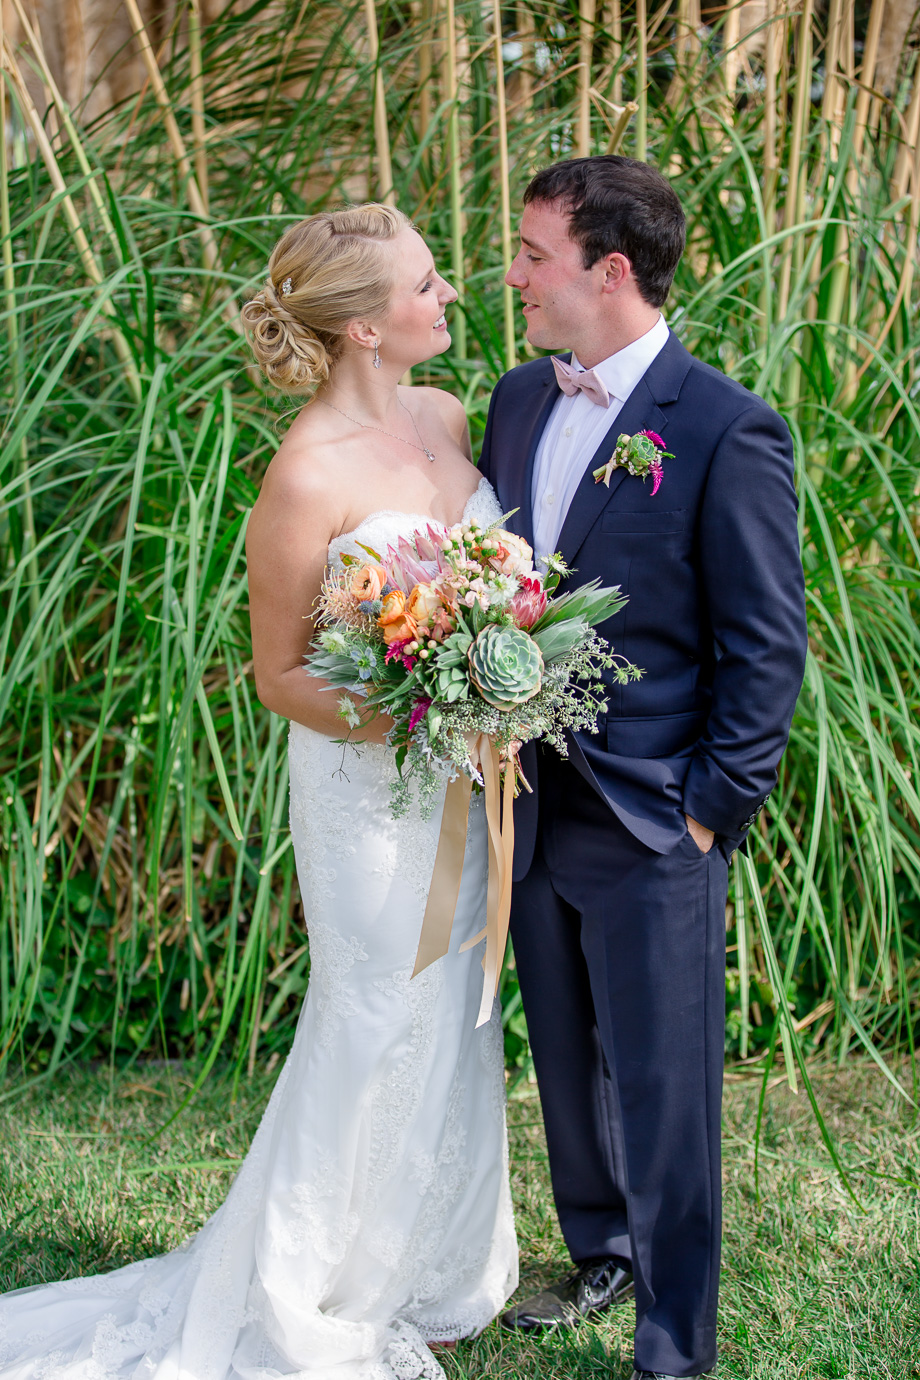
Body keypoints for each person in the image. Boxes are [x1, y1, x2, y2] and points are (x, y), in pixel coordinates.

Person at [0, 205, 517, 1380]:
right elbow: (279, 675)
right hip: (366, 793)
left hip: (465, 786)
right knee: (373, 1013)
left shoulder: (443, 417)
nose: (449, 297)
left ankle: (429, 1264)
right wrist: (426, 710)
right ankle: (308, 1284)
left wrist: (493, 686)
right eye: (426, 285)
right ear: (365, 330)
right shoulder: (303, 478)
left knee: (450, 1009)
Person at [478, 157, 807, 1379]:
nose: (510, 274)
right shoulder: (516, 399)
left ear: (608, 272)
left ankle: (675, 1334)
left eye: (531, 255)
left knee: (665, 1081)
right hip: (526, 795)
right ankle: (599, 1248)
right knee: (562, 1047)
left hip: (653, 809)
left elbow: (765, 642)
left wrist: (708, 812)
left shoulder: (722, 425)